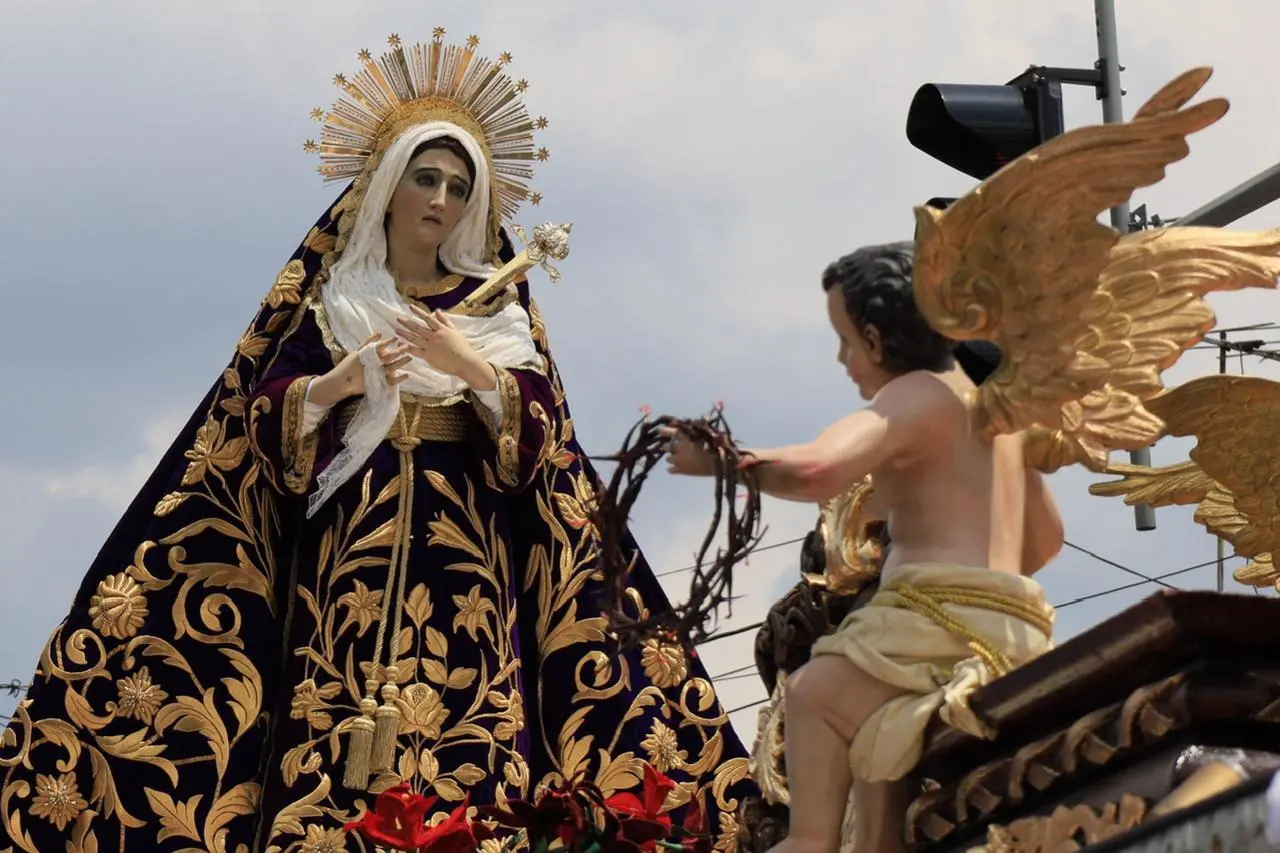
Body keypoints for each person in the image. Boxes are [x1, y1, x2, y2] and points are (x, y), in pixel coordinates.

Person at [0, 34, 756, 853]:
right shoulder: (335, 302)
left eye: (460, 187)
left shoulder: (493, 311)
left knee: (467, 740)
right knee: (330, 725)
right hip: (343, 556)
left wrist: (468, 368)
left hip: (465, 562)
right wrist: (340, 384)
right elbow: (257, 422)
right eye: (425, 178)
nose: (439, 199)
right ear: (388, 185)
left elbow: (539, 441)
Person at [667, 242, 1062, 853]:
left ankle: (810, 841)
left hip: (932, 625)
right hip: (1013, 630)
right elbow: (1044, 540)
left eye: (846, 341)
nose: (844, 360)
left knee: (813, 695)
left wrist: (720, 459)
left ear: (877, 341)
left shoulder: (919, 395)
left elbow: (819, 468)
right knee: (877, 755)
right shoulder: (1001, 413)